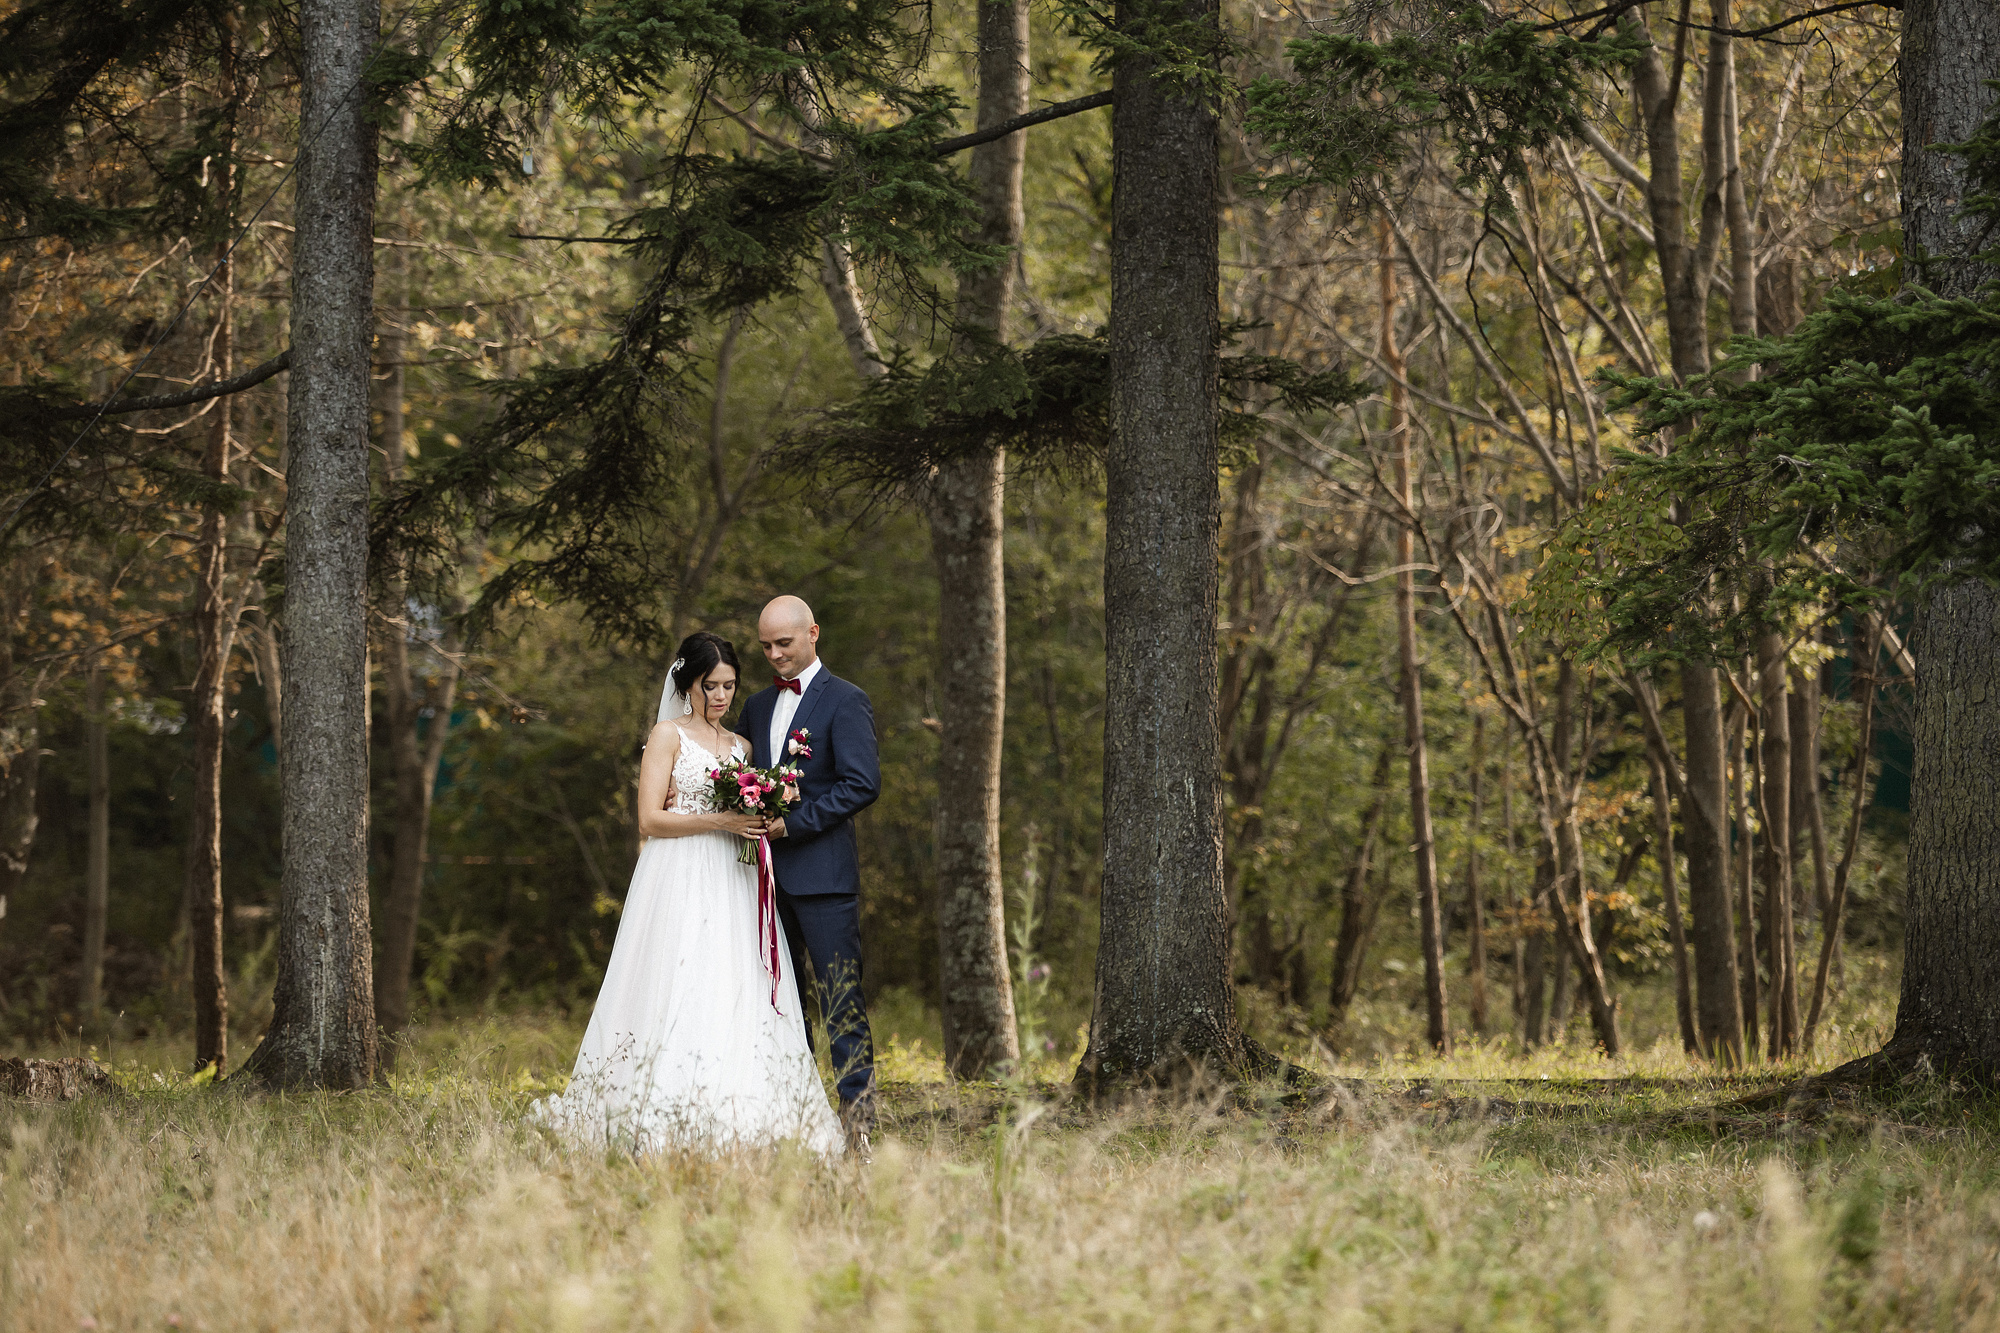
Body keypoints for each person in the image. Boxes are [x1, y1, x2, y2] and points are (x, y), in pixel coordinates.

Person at [532, 630, 843, 1156]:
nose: (720, 697)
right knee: (677, 977)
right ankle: (653, 1108)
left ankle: (744, 1109)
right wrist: (718, 818)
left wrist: (771, 803)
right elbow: (649, 819)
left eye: (729, 686)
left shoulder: (743, 746)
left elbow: (755, 806)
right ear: (687, 683)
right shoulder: (667, 736)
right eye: (710, 686)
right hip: (679, 871)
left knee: (733, 981)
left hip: (734, 878)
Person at [735, 595, 882, 1161]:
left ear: (813, 633)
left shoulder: (846, 701)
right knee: (779, 1005)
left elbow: (861, 784)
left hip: (823, 879)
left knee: (841, 1000)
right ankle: (792, 1120)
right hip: (761, 883)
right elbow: (739, 773)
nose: (774, 656)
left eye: (784, 644)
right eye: (766, 647)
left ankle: (858, 1129)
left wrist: (790, 825)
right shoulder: (753, 705)